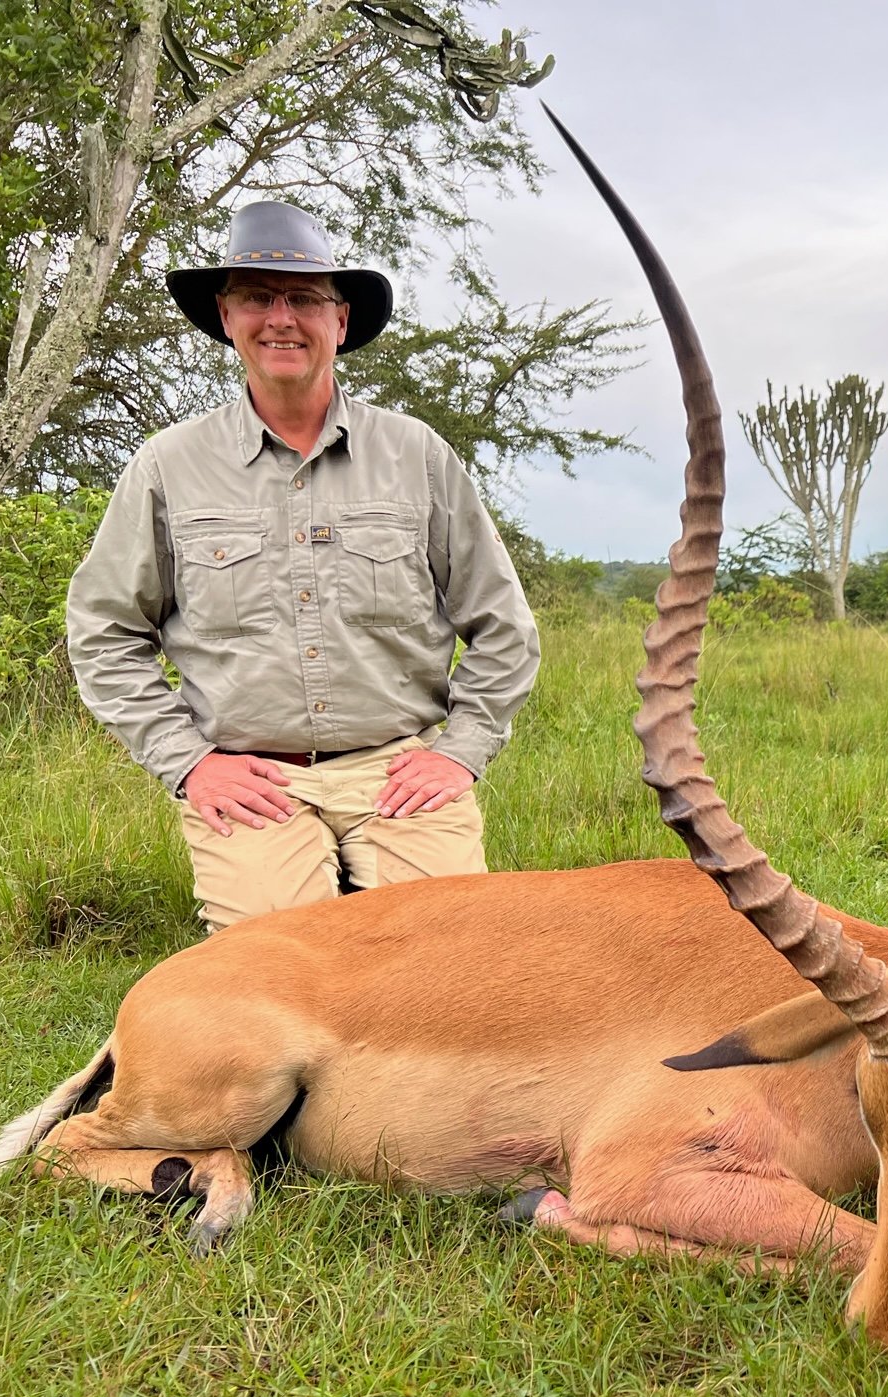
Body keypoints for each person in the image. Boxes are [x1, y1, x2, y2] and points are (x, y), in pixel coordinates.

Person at [66, 201, 540, 932]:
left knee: (454, 956)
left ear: (341, 321)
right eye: (257, 297)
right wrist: (191, 763)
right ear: (227, 317)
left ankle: (376, 896)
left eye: (305, 299)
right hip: (253, 779)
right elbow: (103, 631)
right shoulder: (169, 466)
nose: (280, 318)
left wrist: (460, 754)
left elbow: (504, 627)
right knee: (278, 972)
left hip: (397, 771)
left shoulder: (418, 457)